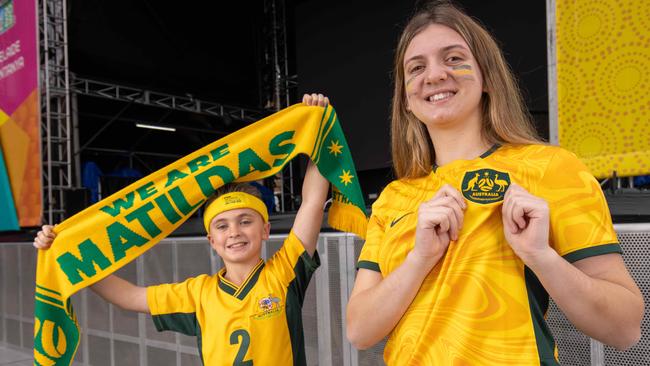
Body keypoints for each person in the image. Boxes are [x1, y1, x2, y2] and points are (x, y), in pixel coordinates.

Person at [345, 1, 643, 365]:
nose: (434, 75)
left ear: (486, 76)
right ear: (406, 99)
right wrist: (420, 259)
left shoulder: (550, 168)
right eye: (417, 67)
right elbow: (359, 331)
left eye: (453, 58)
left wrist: (540, 256)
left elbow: (625, 326)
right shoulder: (394, 197)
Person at [34, 96, 331, 365]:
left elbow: (313, 203)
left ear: (265, 229)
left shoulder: (284, 273)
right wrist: (70, 260)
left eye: (245, 221)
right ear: (211, 240)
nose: (234, 232)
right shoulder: (198, 293)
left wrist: (316, 130)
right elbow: (131, 296)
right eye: (222, 225)